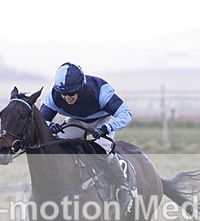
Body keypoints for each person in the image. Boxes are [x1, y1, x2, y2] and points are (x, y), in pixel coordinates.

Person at [39, 62, 134, 211]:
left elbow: (126, 114)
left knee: (102, 150)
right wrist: (50, 125)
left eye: (71, 93)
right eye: (63, 94)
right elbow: (41, 119)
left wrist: (106, 128)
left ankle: (123, 187)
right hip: (76, 121)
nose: (67, 97)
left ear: (81, 87)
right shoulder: (55, 95)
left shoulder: (99, 90)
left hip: (103, 121)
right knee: (57, 145)